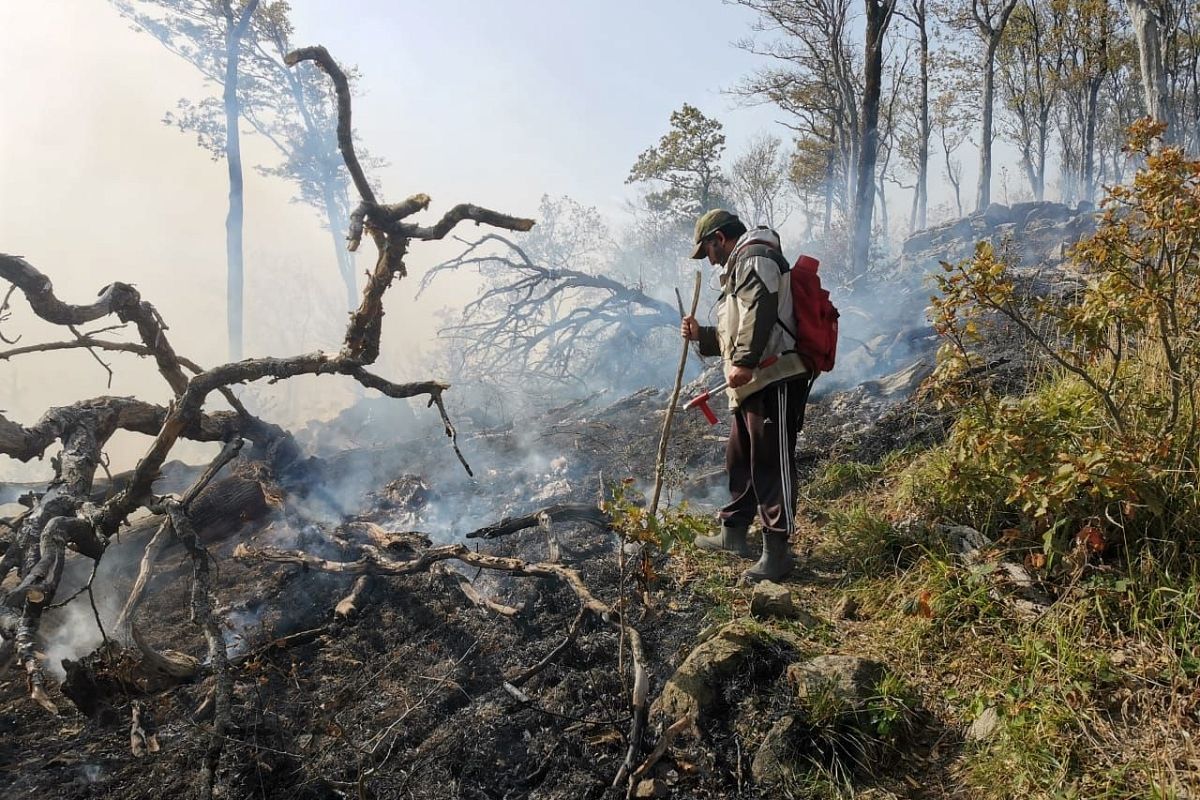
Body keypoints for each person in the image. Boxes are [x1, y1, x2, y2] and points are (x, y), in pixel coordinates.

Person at [681, 209, 812, 583]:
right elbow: (734, 330)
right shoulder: (739, 267)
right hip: (751, 380)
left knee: (772, 460)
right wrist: (701, 335)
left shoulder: (755, 254)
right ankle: (733, 534)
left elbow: (760, 308)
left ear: (719, 238)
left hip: (773, 375)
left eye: (708, 249)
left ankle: (778, 552)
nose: (709, 258)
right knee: (739, 457)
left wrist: (745, 360)